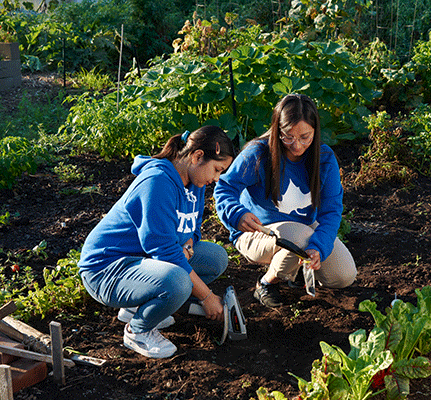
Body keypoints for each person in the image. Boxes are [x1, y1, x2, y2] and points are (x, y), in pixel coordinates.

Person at [77, 126, 235, 359]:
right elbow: (165, 253)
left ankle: (137, 304)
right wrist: (207, 297)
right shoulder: (157, 182)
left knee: (216, 258)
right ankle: (138, 330)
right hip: (106, 269)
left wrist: (188, 245)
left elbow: (193, 227)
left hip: (141, 261)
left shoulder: (195, 183)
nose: (216, 178)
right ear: (197, 156)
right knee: (178, 281)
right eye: (217, 169)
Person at [214, 93, 356, 308]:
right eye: (288, 136)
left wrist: (319, 248)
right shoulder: (258, 153)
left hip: (304, 230)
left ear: (316, 131)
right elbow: (225, 187)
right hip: (257, 233)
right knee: (300, 237)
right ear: (277, 129)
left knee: (343, 276)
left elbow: (332, 211)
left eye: (305, 137)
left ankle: (295, 270)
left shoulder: (324, 158)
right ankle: (266, 284)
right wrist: (237, 214)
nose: (297, 145)